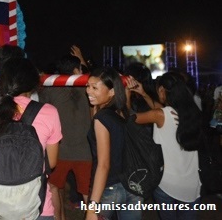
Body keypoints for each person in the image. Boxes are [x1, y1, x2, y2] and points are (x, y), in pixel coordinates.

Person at [0, 56, 62, 219]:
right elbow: (52, 162)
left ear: (2, 82)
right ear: (33, 83)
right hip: (36, 206)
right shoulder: (49, 112)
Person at [133, 71, 203, 220]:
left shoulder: (160, 115)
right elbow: (161, 111)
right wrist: (144, 94)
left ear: (161, 90)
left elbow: (130, 119)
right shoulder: (191, 111)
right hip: (191, 185)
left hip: (166, 183)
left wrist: (124, 95)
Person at [85, 66, 142, 220]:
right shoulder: (122, 112)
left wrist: (92, 207)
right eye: (88, 86)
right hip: (132, 186)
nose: (89, 91)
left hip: (110, 188)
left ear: (111, 91)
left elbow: (104, 165)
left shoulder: (102, 119)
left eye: (95, 87)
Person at [41, 54, 92, 220]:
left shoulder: (50, 89)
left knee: (54, 188)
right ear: (77, 70)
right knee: (88, 193)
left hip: (59, 151)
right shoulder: (88, 88)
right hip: (85, 151)